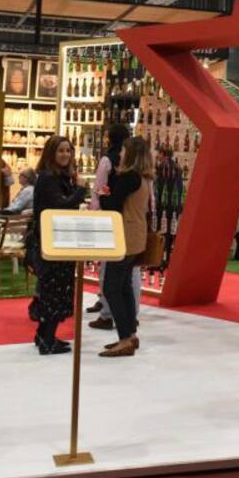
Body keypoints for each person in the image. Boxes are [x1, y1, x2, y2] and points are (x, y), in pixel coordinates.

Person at [28, 135, 87, 354]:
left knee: (56, 289)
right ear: (51, 153)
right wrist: (80, 190)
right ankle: (47, 340)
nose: (65, 155)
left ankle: (44, 335)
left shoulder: (60, 177)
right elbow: (61, 206)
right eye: (61, 150)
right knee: (54, 289)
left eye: (68, 151)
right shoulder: (48, 178)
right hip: (52, 242)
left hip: (60, 240)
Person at [100, 136, 155, 357]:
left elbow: (111, 205)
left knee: (111, 287)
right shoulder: (143, 179)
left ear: (130, 154)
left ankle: (124, 338)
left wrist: (103, 192)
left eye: (123, 150)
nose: (120, 154)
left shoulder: (129, 178)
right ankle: (130, 334)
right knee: (124, 287)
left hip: (124, 237)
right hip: (136, 236)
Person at [89, 123, 131, 330]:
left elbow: (100, 188)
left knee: (107, 266)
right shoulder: (134, 163)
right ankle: (129, 314)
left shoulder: (108, 160)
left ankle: (106, 312)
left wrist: (97, 207)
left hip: (109, 217)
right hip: (129, 220)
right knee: (129, 272)